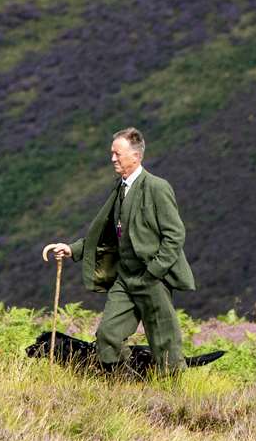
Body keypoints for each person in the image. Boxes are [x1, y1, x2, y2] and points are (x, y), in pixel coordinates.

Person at [43, 127, 195, 375]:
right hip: (124, 279)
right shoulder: (120, 189)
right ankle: (129, 382)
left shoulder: (157, 187)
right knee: (108, 335)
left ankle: (173, 394)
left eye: (117, 153)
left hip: (152, 278)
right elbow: (106, 236)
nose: (113, 158)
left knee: (164, 341)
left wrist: (155, 270)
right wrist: (71, 249)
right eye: (112, 153)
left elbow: (175, 234)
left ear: (135, 156)